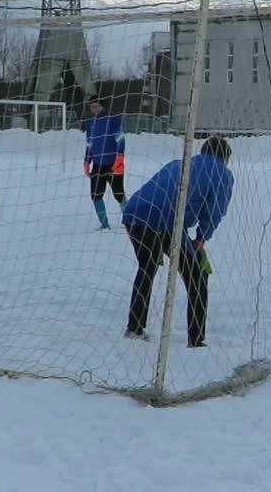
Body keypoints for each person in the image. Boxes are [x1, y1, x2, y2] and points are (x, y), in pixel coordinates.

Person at [120, 136, 234, 346]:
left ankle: (134, 327)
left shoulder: (180, 162)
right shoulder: (222, 173)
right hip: (166, 221)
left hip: (134, 214)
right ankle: (196, 340)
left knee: (147, 267)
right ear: (225, 158)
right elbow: (215, 210)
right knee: (197, 278)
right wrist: (201, 238)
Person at [83, 97, 126, 229]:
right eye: (92, 107)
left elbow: (121, 140)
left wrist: (119, 158)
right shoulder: (90, 123)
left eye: (96, 106)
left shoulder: (113, 120)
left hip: (113, 164)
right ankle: (104, 224)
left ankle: (130, 219)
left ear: (102, 106)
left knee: (119, 194)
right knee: (95, 195)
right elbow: (90, 143)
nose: (94, 109)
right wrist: (86, 160)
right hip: (97, 165)